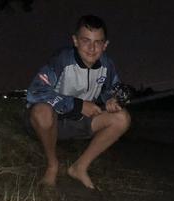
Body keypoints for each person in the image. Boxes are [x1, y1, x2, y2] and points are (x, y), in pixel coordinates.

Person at [24, 15, 130, 189]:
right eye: (85, 40)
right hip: (51, 122)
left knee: (122, 118)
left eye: (98, 42)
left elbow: (113, 88)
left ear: (105, 45)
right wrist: (78, 105)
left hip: (79, 123)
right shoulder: (61, 59)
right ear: (75, 40)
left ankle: (79, 168)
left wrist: (112, 99)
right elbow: (36, 92)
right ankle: (52, 165)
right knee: (41, 111)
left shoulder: (107, 65)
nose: (92, 48)